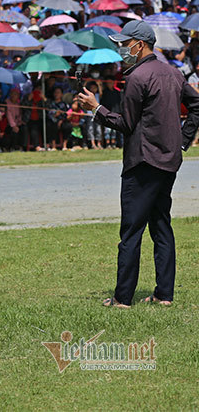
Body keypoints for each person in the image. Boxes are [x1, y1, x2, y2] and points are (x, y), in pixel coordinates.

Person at [77, 21, 199, 308]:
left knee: (131, 231)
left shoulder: (136, 77)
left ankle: (123, 298)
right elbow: (196, 105)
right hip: (168, 161)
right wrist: (183, 140)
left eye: (124, 43)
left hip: (142, 162)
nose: (121, 48)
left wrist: (96, 108)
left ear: (140, 44)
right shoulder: (173, 72)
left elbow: (126, 123)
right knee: (161, 227)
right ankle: (164, 294)